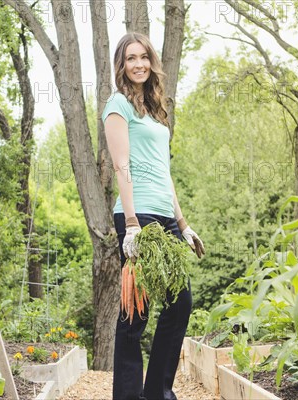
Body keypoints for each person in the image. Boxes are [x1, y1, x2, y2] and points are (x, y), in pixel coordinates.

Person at [102, 32, 206, 400]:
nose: (139, 64)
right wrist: (130, 224)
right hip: (139, 215)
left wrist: (183, 224)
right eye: (131, 58)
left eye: (144, 57)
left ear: (151, 62)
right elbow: (121, 164)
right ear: (122, 65)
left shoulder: (158, 112)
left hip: (164, 215)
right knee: (136, 310)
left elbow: (165, 171)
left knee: (180, 303)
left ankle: (157, 393)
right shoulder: (118, 105)